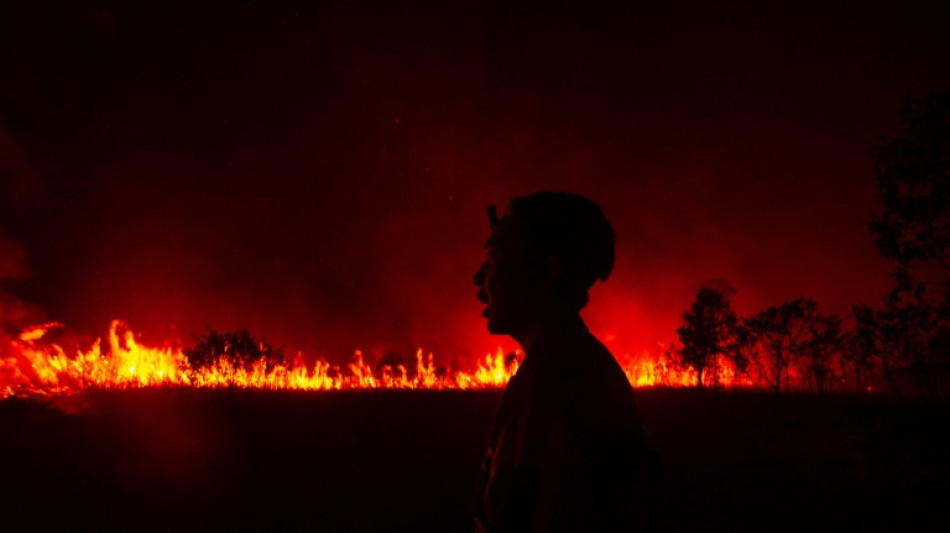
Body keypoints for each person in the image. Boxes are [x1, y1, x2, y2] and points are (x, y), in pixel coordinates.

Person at [472, 191, 654, 532]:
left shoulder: (550, 388)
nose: (479, 278)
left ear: (547, 271)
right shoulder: (583, 366)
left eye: (494, 257)